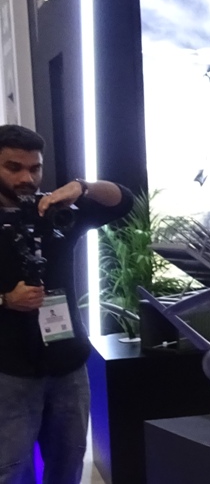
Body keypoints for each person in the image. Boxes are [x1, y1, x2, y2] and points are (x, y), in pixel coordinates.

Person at [0, 125, 133, 484]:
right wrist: (6, 300)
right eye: (14, 167)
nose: (27, 178)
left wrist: (82, 187)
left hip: (68, 365)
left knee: (69, 464)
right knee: (11, 469)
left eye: (35, 168)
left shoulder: (55, 210)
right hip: (8, 371)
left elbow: (123, 200)